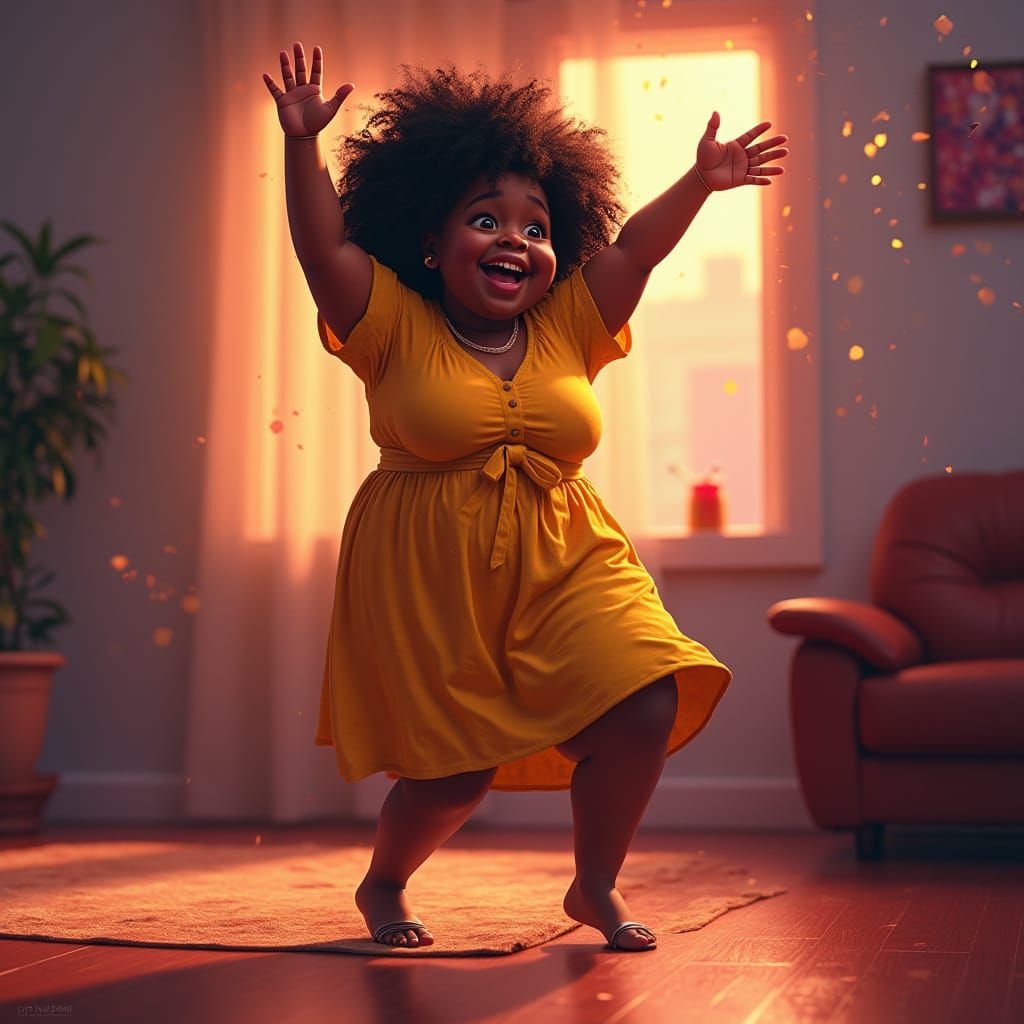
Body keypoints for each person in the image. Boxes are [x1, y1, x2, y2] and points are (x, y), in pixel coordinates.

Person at [263, 41, 788, 953]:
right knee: (454, 776)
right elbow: (323, 246)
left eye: (537, 227)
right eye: (486, 220)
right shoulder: (388, 319)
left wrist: (701, 185)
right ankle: (385, 882)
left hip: (566, 554)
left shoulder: (569, 322)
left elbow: (633, 248)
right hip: (432, 573)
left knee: (645, 696)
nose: (516, 239)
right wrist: (303, 146)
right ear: (430, 242)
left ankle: (594, 886)